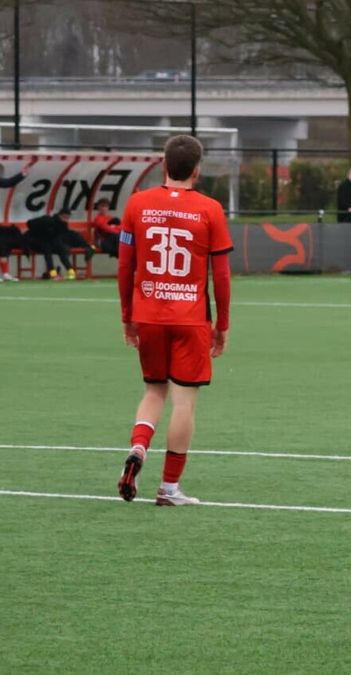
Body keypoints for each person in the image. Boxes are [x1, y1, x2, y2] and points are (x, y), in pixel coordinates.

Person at [115, 134, 234, 507]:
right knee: (184, 402)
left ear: (163, 165)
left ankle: (138, 447)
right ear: (197, 170)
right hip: (190, 318)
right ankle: (168, 489)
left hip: (148, 314)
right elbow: (223, 276)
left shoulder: (137, 204)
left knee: (154, 390)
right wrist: (223, 325)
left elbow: (124, 266)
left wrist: (127, 317)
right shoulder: (210, 209)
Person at [25, 208, 80, 279]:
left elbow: (59, 237)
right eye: (65, 217)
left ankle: (70, 270)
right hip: (34, 241)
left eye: (68, 218)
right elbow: (29, 223)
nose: (66, 219)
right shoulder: (47, 219)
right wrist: (38, 232)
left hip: (48, 242)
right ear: (60, 215)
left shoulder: (63, 225)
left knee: (61, 249)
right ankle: (52, 272)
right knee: (47, 248)